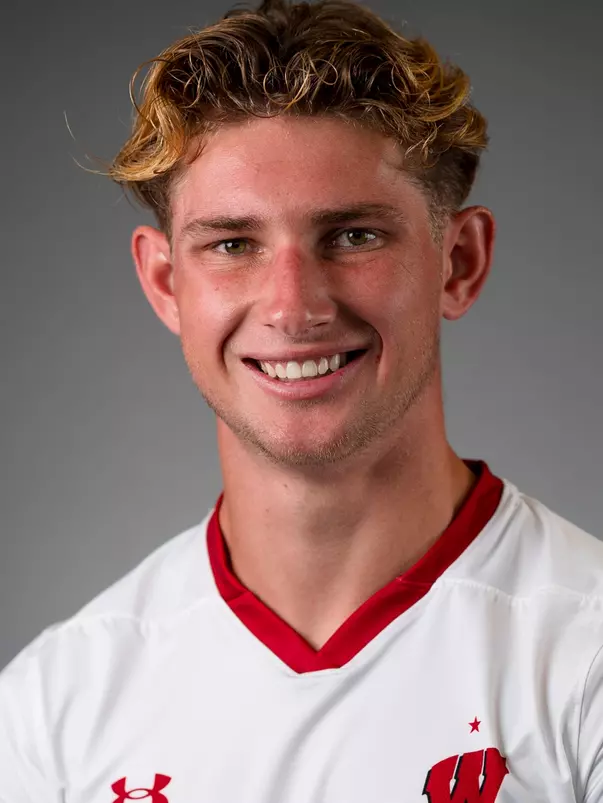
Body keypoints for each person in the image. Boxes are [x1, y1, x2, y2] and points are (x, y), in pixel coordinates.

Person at [1, 0, 602, 800]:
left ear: (458, 262)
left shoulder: (583, 652)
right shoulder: (53, 707)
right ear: (165, 282)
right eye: (232, 244)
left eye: (353, 235)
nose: (292, 307)